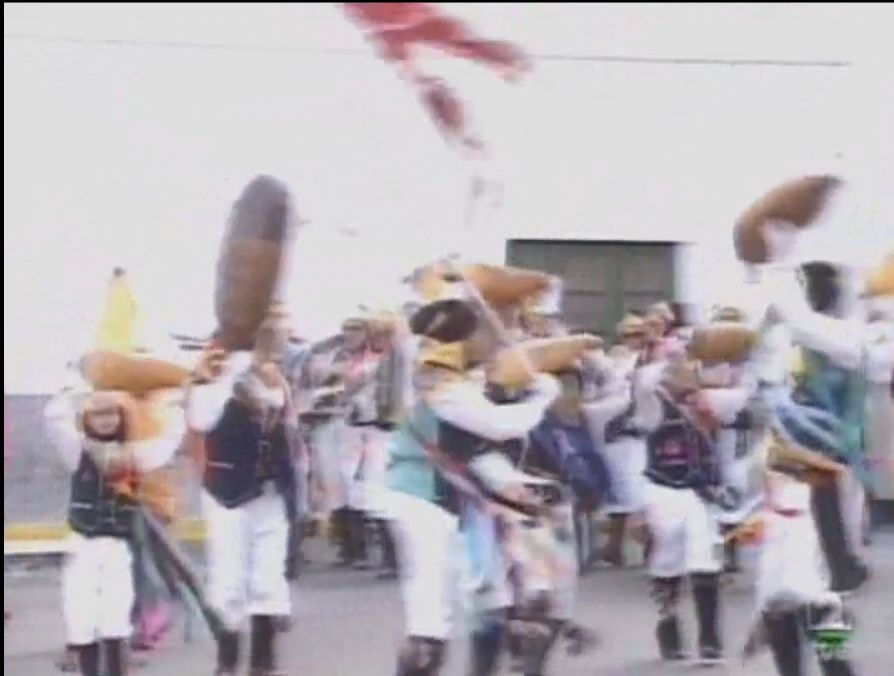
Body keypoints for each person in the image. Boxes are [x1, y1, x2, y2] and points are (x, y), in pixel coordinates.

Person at [45, 386, 184, 676]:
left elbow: (168, 441)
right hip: (82, 544)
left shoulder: (134, 455)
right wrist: (74, 392)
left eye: (111, 414)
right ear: (87, 418)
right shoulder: (77, 451)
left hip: (118, 545)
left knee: (115, 613)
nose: (106, 421)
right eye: (99, 414)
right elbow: (55, 420)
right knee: (81, 612)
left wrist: (174, 405)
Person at [186, 309, 296, 676]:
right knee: (228, 580)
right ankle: (227, 660)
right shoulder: (211, 384)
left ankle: (263, 663)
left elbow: (286, 430)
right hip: (227, 492)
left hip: (270, 491)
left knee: (268, 576)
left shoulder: (275, 381)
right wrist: (232, 369)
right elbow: (202, 421)